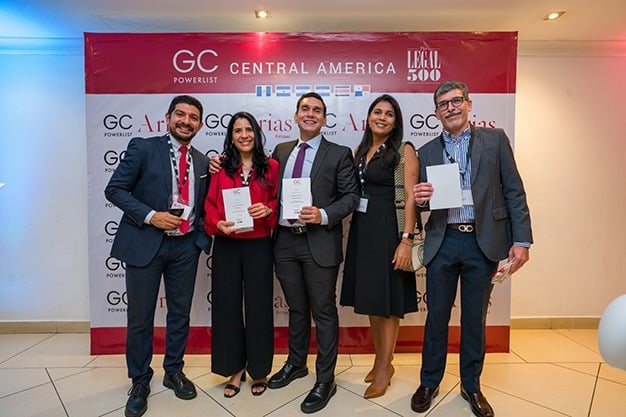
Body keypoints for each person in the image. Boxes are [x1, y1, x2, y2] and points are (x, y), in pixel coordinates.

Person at [410, 81, 533, 417]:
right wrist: (420, 199)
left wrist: (521, 240)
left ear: (468, 104)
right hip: (443, 241)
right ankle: (429, 382)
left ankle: (471, 385)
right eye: (443, 104)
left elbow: (514, 190)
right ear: (436, 113)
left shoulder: (495, 140)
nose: (451, 108)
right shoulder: (427, 151)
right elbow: (425, 202)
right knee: (436, 317)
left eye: (456, 101)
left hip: (483, 242)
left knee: (474, 319)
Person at [105, 95, 212, 417]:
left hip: (185, 247)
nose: (186, 121)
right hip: (145, 243)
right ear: (168, 118)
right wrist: (152, 216)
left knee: (180, 314)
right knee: (140, 317)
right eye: (180, 114)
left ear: (200, 124)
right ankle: (140, 380)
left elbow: (204, 204)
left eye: (193, 117)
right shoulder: (143, 147)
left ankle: (174, 371)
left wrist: (199, 240)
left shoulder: (203, 162)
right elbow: (114, 189)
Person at [266, 92, 359, 413]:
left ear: (324, 119)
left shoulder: (339, 153)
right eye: (305, 109)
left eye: (317, 110)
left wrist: (323, 214)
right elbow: (265, 187)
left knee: (323, 310)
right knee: (296, 308)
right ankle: (296, 364)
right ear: (295, 116)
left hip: (319, 241)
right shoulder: (281, 151)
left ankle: (325, 379)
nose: (310, 114)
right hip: (284, 242)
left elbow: (350, 197)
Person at [339, 94, 418, 399]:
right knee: (373, 300)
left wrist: (406, 240)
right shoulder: (360, 151)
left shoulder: (403, 150)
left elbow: (410, 197)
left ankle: (385, 367)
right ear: (369, 117)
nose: (382, 117)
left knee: (388, 304)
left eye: (389, 114)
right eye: (377, 112)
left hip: (389, 230)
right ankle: (380, 359)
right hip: (363, 230)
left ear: (396, 122)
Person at [203, 111, 279, 398]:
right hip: (227, 244)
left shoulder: (271, 166)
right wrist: (216, 224)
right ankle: (234, 369)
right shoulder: (220, 168)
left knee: (259, 307)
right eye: (238, 130)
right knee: (227, 307)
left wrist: (268, 209)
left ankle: (259, 369)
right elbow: (209, 205)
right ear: (231, 136)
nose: (244, 135)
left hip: (259, 244)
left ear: (257, 134)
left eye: (249, 130)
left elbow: (278, 201)